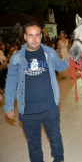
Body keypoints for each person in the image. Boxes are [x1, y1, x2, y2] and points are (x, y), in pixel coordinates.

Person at [4, 22, 69, 162]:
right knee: (33, 142)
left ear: (41, 36)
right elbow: (10, 82)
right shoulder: (16, 58)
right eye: (31, 35)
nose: (34, 39)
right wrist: (9, 104)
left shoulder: (50, 52)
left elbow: (61, 65)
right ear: (25, 37)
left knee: (55, 137)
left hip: (50, 107)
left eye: (37, 35)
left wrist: (74, 57)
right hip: (27, 111)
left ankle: (59, 159)